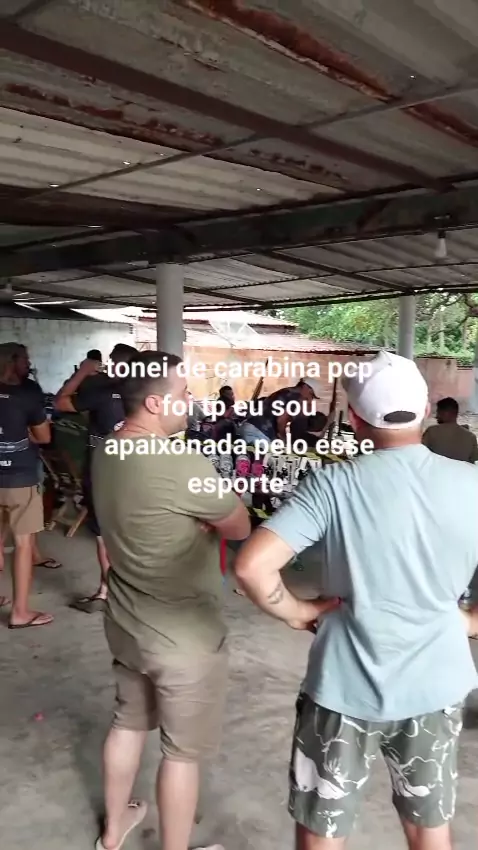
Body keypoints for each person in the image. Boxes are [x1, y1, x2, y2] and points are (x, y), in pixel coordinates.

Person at [234, 350, 478, 850]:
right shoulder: (472, 484)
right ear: (426, 409)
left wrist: (298, 612)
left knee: (323, 830)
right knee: (428, 827)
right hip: (436, 685)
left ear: (356, 420)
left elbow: (251, 567)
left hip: (343, 687)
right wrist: (470, 621)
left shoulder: (332, 485)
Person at [91, 350, 250, 850]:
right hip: (183, 636)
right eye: (183, 393)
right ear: (156, 403)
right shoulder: (179, 461)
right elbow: (240, 524)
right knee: (181, 754)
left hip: (126, 621)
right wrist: (204, 519)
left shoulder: (107, 448)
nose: (191, 401)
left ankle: (113, 831)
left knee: (128, 720)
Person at [54, 343, 137, 612]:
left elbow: (61, 401)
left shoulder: (103, 392)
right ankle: (128, 593)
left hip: (103, 471)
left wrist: (83, 372)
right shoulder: (145, 394)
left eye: (112, 361)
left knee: (103, 535)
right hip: (136, 472)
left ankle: (107, 592)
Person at [0, 343, 53, 628]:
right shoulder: (28, 394)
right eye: (25, 359)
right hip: (19, 478)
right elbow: (44, 437)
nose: (28, 364)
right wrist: (24, 434)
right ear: (13, 361)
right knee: (23, 544)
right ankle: (19, 612)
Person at [240, 378, 322, 445]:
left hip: (250, 427)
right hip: (260, 433)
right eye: (312, 395)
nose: (310, 399)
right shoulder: (296, 398)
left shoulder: (286, 391)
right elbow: (282, 419)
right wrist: (283, 437)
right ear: (305, 387)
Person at [422, 397, 478, 463]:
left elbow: (421, 455)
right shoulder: (471, 437)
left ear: (445, 413)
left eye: (438, 412)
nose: (436, 416)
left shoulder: (432, 432)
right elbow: (472, 463)